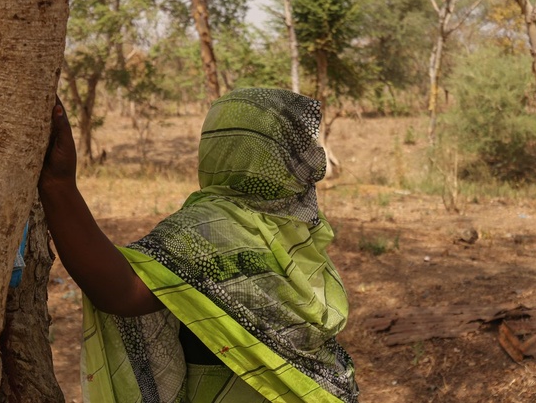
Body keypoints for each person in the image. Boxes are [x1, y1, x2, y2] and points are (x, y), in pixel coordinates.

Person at [39, 88, 359, 403]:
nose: (312, 158)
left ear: (220, 151)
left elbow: (123, 292)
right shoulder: (302, 229)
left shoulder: (211, 228)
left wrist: (58, 186)